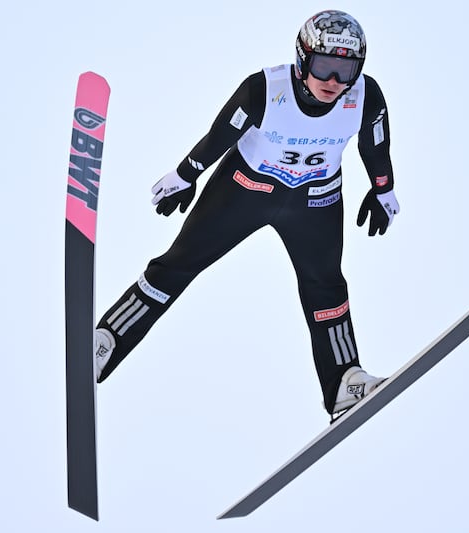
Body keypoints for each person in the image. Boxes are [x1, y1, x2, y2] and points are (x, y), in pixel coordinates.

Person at [94, 9, 400, 418]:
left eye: (345, 71)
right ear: (303, 58)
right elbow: (219, 135)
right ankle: (107, 340)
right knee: (179, 264)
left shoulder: (365, 96)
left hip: (316, 200)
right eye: (325, 66)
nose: (333, 82)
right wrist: (187, 176)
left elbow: (375, 148)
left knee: (326, 286)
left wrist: (383, 190)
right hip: (245, 190)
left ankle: (344, 381)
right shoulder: (264, 89)